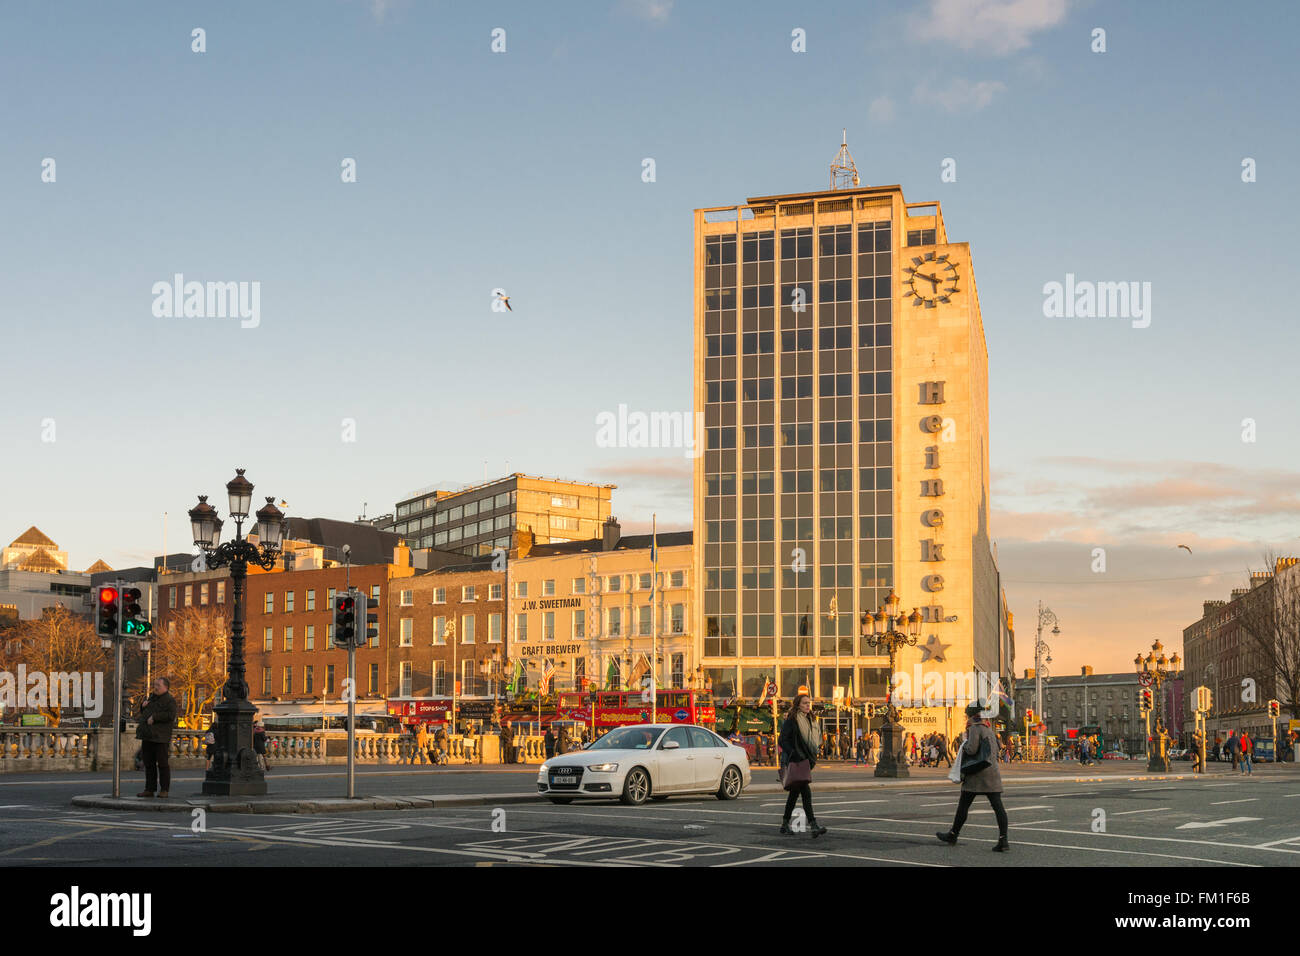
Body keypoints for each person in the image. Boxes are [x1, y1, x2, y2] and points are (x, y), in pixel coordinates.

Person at [936, 703, 1010, 852]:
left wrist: (964, 744)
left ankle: (953, 834)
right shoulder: (989, 729)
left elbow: (972, 749)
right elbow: (996, 749)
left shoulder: (974, 729)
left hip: (977, 775)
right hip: (992, 773)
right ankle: (1003, 839)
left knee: (963, 806)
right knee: (998, 807)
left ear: (970, 715)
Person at [778, 694, 826, 837]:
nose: (807, 705)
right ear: (798, 704)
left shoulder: (811, 720)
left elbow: (814, 739)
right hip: (795, 761)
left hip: (806, 761)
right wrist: (793, 753)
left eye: (808, 703)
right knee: (806, 793)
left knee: (794, 794)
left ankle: (784, 824)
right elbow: (782, 740)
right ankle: (813, 825)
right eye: (804, 703)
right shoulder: (792, 721)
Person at [135, 677, 178, 798]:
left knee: (163, 764)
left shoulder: (170, 700)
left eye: (158, 685)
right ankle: (149, 789)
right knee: (149, 764)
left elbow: (171, 715)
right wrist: (143, 707)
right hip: (148, 735)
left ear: (165, 687)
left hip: (160, 737)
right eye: (155, 685)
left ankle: (164, 789)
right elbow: (145, 713)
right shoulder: (152, 697)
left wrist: (155, 717)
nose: (156, 687)